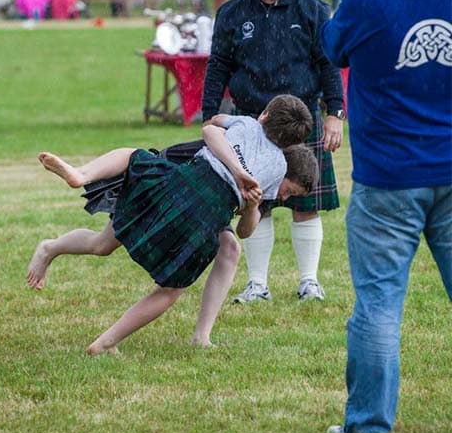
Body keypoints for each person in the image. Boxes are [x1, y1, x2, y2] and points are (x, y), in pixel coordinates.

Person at [27, 95, 317, 354]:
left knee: (131, 160)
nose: (285, 197)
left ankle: (81, 176)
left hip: (173, 188)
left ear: (265, 115)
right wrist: (241, 177)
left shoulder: (245, 125)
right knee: (169, 288)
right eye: (289, 192)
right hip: (193, 197)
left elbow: (212, 125)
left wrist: (250, 198)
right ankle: (105, 341)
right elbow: (212, 135)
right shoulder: (274, 166)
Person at [320, 0, 451, 433]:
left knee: (378, 305)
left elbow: (332, 48)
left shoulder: (366, 1)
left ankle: (369, 425)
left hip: (387, 181)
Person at [202, 0, 345, 305]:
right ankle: (257, 284)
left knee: (305, 201)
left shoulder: (313, 11)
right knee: (254, 199)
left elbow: (327, 65)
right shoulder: (232, 14)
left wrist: (335, 114)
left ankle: (309, 282)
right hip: (250, 118)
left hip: (300, 120)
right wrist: (208, 117)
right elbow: (218, 66)